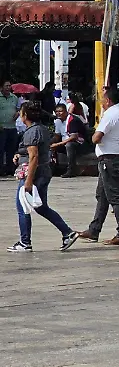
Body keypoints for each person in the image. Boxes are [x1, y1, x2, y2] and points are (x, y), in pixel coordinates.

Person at [7, 103, 78, 252]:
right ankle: (67, 232)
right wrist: (20, 155)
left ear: (25, 115)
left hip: (34, 173)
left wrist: (28, 181)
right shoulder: (41, 129)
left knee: (22, 208)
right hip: (43, 172)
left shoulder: (32, 132)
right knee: (41, 207)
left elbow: (34, 157)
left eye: (21, 112)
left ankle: (25, 242)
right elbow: (32, 152)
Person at [76, 87, 119, 244]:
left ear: (107, 100)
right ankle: (94, 229)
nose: (101, 102)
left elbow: (97, 137)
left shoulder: (110, 114)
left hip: (109, 158)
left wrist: (93, 134)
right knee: (102, 195)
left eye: (102, 99)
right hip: (117, 155)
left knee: (115, 197)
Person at [50, 104, 86, 177]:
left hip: (79, 143)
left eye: (60, 111)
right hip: (64, 142)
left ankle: (71, 170)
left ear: (66, 111)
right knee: (49, 146)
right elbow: (57, 136)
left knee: (69, 145)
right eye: (56, 111)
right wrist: (50, 142)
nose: (58, 113)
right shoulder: (58, 121)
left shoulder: (72, 120)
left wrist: (57, 144)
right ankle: (54, 168)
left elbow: (74, 137)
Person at [0, 80, 19, 176]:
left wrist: (17, 113)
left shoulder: (14, 98)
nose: (8, 87)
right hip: (2, 127)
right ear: (1, 87)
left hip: (12, 127)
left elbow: (18, 108)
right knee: (0, 149)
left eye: (9, 86)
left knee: (11, 150)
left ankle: (10, 169)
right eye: (6, 86)